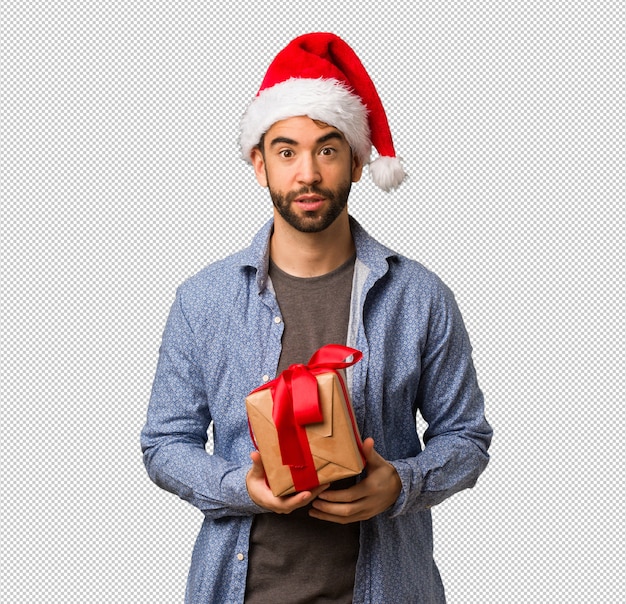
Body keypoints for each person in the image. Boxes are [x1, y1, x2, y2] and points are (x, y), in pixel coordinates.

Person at [141, 32, 492, 603]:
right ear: (259, 164)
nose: (307, 173)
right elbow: (164, 444)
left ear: (356, 162)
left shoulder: (419, 296)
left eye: (328, 150)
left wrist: (399, 484)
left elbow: (467, 437)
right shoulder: (201, 300)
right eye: (286, 151)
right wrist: (242, 487)